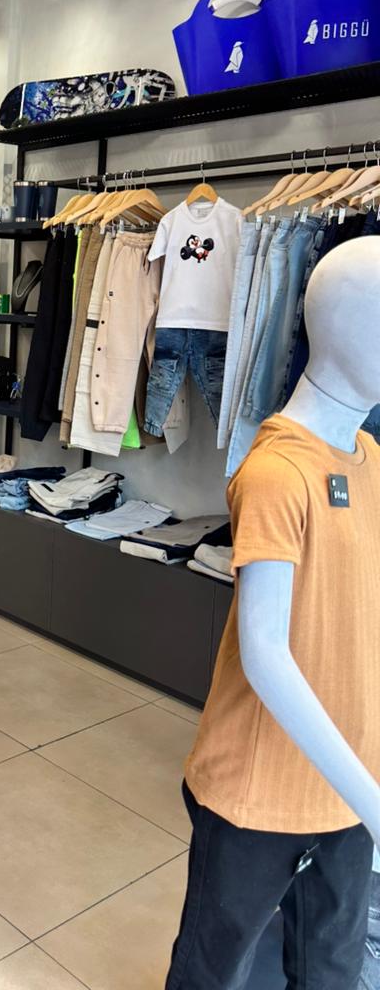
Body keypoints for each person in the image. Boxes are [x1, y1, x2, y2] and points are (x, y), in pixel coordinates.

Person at [166, 237, 380, 989]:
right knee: (212, 968)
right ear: (352, 329)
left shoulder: (370, 458)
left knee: (331, 967)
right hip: (257, 792)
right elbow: (264, 653)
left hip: (349, 782)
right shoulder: (277, 472)